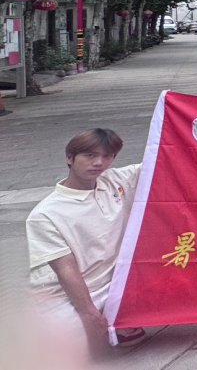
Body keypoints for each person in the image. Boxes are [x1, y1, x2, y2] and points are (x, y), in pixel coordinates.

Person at [26, 129, 147, 358]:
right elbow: (66, 269)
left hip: (117, 284)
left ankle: (117, 320)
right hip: (69, 295)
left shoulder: (116, 181)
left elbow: (165, 159)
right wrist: (89, 315)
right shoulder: (45, 214)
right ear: (69, 157)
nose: (99, 162)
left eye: (107, 156)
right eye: (89, 155)